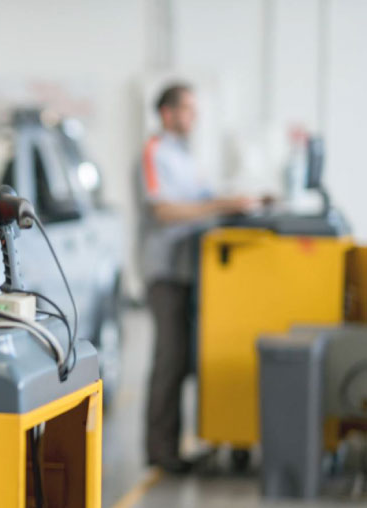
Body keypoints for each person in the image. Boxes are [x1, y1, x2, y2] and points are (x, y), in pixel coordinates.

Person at [137, 83, 260, 474]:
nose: (195, 117)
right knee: (170, 361)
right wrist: (220, 204)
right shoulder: (155, 153)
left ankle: (191, 439)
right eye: (188, 109)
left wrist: (237, 203)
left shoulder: (185, 157)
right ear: (167, 113)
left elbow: (205, 201)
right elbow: (164, 212)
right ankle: (161, 451)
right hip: (166, 271)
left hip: (193, 271)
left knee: (188, 358)